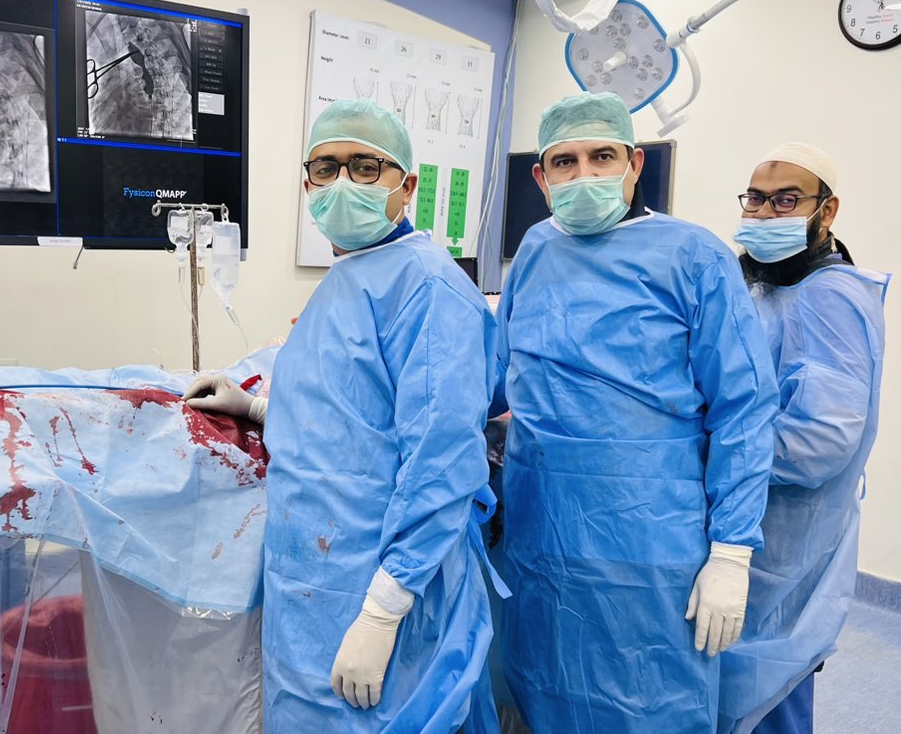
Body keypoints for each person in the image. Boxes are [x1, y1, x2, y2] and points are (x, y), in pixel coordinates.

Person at [185, 98, 499, 732]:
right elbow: (347, 419)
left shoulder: (429, 289)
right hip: (312, 583)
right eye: (325, 168)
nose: (342, 183)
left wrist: (385, 609)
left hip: (384, 587)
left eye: (365, 166)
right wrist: (254, 407)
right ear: (308, 185)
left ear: (407, 185)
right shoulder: (350, 278)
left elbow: (441, 462)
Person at [492, 91, 778, 733]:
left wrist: (732, 551)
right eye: (564, 162)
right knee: (545, 689)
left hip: (648, 542)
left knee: (649, 704)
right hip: (542, 531)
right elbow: (499, 371)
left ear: (634, 162)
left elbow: (744, 409)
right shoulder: (535, 249)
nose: (583, 174)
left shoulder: (694, 256)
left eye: (602, 156)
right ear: (541, 176)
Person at [718, 143, 889, 734]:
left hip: (784, 540)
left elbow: (819, 443)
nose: (765, 214)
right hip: (741, 521)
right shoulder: (760, 285)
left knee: (770, 687)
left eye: (786, 201)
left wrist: (708, 448)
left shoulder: (829, 297)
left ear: (827, 210)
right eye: (756, 199)